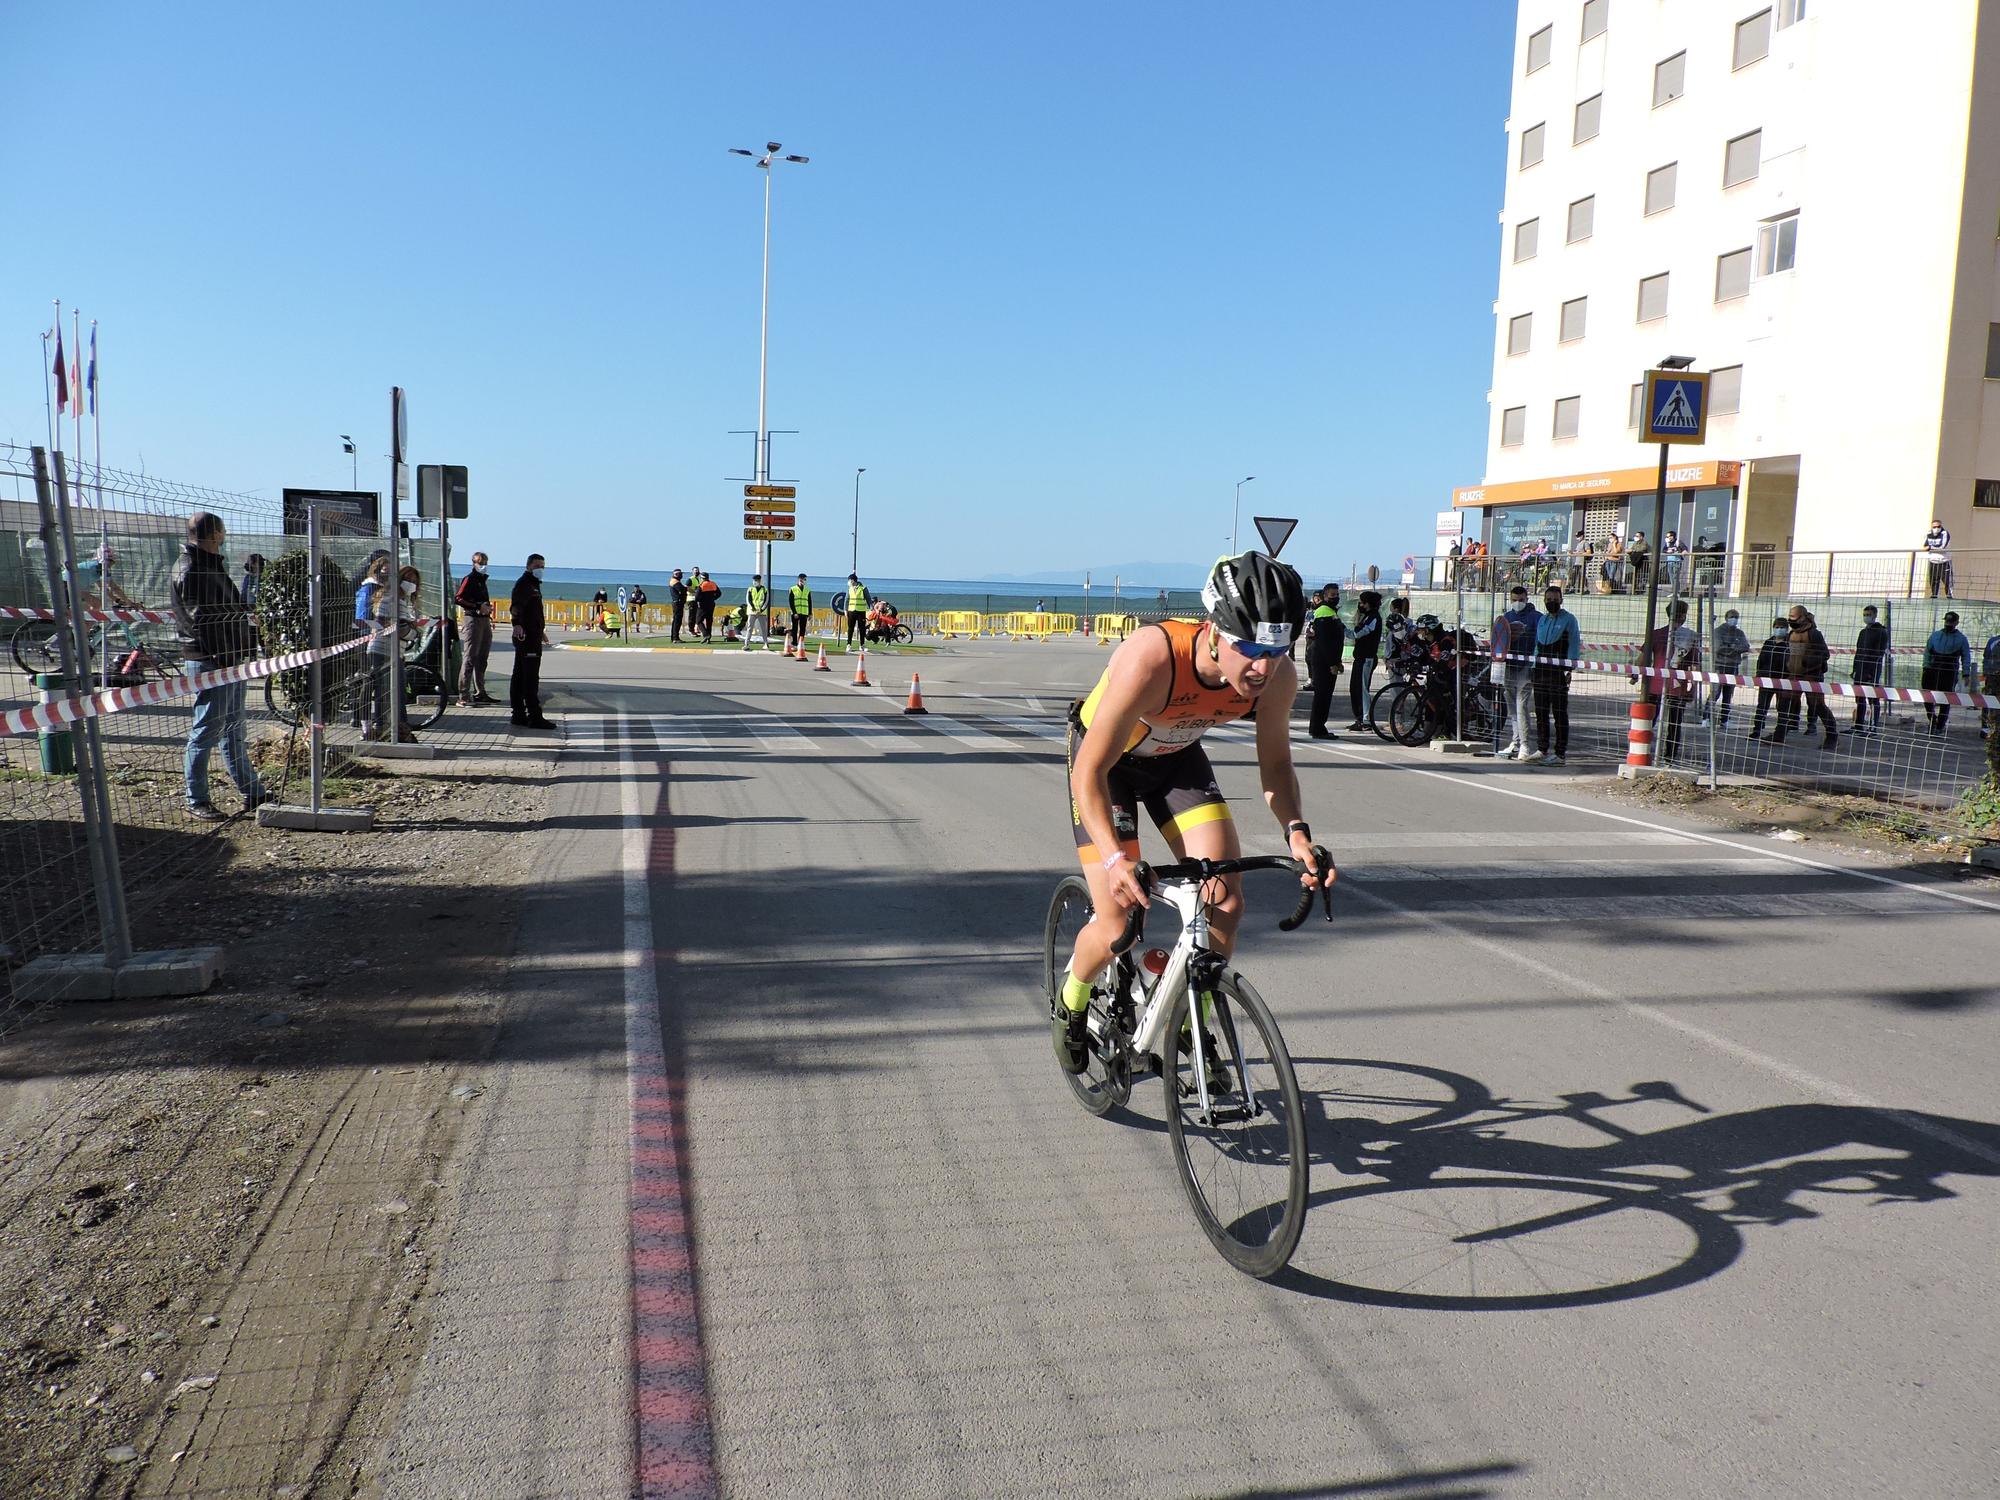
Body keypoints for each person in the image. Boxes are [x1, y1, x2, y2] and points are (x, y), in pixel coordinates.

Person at [1053, 552, 1324, 1073]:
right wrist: (1113, 859)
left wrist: (1297, 833)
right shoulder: (1152, 659)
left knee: (1225, 900)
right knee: (1117, 918)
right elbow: (1087, 774)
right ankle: (1072, 998)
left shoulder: (1277, 677)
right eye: (1248, 647)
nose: (1263, 666)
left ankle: (1186, 1021)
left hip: (1175, 761)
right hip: (1106, 766)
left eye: (1276, 648)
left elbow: (1276, 766)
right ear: (1214, 630)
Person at [170, 511, 268, 820]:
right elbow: (203, 621)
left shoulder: (209, 566)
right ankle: (196, 798)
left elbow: (228, 612)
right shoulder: (193, 570)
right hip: (212, 662)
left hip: (229, 660)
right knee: (206, 731)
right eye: (223, 531)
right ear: (216, 534)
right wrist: (225, 656)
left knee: (234, 730)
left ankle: (252, 791)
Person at [1636, 599, 1700, 762]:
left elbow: (1642, 659)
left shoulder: (1656, 634)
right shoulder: (1691, 637)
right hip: (1677, 686)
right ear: (1683, 615)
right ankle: (1670, 757)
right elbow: (1694, 665)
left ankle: (1642, 751)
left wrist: (1635, 674)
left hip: (1655, 685)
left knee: (1649, 720)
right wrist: (1692, 688)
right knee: (1674, 723)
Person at [369, 565, 424, 742]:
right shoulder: (391, 599)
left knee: (395, 692)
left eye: (414, 581)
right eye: (408, 579)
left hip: (395, 652)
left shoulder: (402, 601)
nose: (411, 584)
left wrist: (409, 629)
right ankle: (388, 730)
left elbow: (401, 627)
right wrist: (412, 632)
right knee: (387, 692)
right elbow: (392, 627)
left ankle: (394, 729)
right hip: (383, 651)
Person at [1775, 606, 1838, 749]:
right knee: (1783, 703)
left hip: (1811, 676)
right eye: (1790, 618)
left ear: (1803, 617)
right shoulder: (1791, 634)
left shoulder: (1814, 634)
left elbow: (1825, 654)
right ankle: (1779, 735)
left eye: (1794, 618)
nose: (1791, 621)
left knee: (1818, 706)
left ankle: (1832, 737)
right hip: (1794, 675)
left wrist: (1808, 662)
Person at [1532, 584, 1581, 766]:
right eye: (1548, 600)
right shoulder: (1542, 620)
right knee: (1541, 712)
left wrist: (1569, 667)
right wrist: (1533, 664)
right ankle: (1541, 748)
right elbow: (1537, 643)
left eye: (1555, 599)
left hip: (1558, 671)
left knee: (1559, 713)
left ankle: (1560, 753)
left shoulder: (1569, 619)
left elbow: (1574, 642)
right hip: (1540, 670)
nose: (1551, 602)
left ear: (1561, 600)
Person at [1491, 584, 1538, 760]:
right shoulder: (1507, 617)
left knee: (1521, 705)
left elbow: (1538, 645)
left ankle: (1525, 745)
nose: (1518, 603)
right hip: (1509, 666)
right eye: (1514, 600)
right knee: (1512, 706)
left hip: (1526, 666)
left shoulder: (1536, 618)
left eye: (1521, 600)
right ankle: (1515, 741)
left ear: (1527, 599)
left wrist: (1534, 665)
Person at [510, 553, 554, 729]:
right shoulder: (525, 584)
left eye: (542, 566)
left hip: (534, 635)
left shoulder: (533, 585)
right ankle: (534, 716)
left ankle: (519, 714)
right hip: (526, 637)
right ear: (528, 566)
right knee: (529, 678)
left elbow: (533, 612)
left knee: (520, 675)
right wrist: (517, 624)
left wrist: (541, 631)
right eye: (537, 566)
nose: (540, 570)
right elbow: (516, 607)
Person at [455, 549, 496, 706]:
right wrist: (477, 606)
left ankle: (480, 691)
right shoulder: (470, 578)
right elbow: (458, 598)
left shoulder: (482, 580)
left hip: (484, 620)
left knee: (482, 657)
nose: (483, 566)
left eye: (485, 563)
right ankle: (463, 694)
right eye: (480, 563)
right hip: (472, 619)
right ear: (474, 563)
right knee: (470, 656)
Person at [1303, 584, 1345, 738]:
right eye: (1332, 595)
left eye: (1337, 594)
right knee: (1322, 696)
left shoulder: (1330, 611)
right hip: (1323, 661)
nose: (1335, 597)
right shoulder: (1324, 612)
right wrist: (1333, 663)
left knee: (1324, 695)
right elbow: (1325, 642)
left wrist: (1337, 661)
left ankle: (1318, 727)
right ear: (1325, 596)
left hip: (1328, 660)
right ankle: (1317, 728)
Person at [1922, 610, 1974, 734]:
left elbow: (1966, 657)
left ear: (1957, 623)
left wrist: (1966, 674)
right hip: (1932, 669)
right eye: (1947, 621)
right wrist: (1926, 667)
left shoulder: (1961, 639)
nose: (1948, 624)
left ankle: (1940, 726)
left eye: (1951, 621)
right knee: (1927, 696)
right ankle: (1932, 720)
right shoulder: (1935, 635)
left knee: (1946, 698)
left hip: (1949, 671)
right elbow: (1927, 652)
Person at [1707, 608, 1750, 727]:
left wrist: (1729, 647)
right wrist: (1734, 648)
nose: (1734, 619)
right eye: (1732, 617)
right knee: (1715, 692)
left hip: (1733, 666)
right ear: (1726, 618)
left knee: (1728, 694)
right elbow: (1718, 648)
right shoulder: (1718, 632)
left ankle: (1724, 719)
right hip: (1720, 666)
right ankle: (1706, 717)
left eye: (1736, 617)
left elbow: (1745, 646)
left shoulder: (1739, 633)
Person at [1345, 590, 1382, 728]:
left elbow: (1358, 633)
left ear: (1368, 604)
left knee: (1362, 689)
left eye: (1362, 602)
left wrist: (1342, 629)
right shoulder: (1367, 617)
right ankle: (1360, 718)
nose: (1360, 605)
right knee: (1355, 688)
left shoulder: (1373, 618)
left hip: (1367, 658)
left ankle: (1366, 719)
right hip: (1360, 657)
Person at [1851, 605, 1888, 733]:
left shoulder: (1881, 632)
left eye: (1869, 614)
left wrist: (1871, 672)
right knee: (1860, 698)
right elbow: (1858, 652)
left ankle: (1873, 727)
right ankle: (1859, 726)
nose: (1866, 617)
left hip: (1872, 670)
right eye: (1865, 614)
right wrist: (1855, 669)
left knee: (1872, 698)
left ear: (1875, 615)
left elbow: (1879, 653)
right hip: (1860, 669)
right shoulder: (1863, 632)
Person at [1923, 520, 1953, 599]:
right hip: (1933, 561)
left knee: (1947, 581)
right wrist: (1930, 548)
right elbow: (1924, 547)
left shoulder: (1945, 533)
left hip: (1944, 561)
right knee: (1933, 580)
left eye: (1938, 527)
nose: (1936, 528)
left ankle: (1949, 596)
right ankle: (1934, 595)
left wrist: (1931, 548)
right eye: (1934, 527)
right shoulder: (1928, 534)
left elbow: (1943, 547)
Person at [742, 574, 771, 650]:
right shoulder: (750, 589)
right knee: (749, 628)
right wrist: (753, 609)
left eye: (757, 581)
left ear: (760, 581)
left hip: (762, 612)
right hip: (752, 612)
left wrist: (761, 610)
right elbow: (748, 600)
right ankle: (746, 644)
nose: (755, 582)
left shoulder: (765, 589)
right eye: (754, 580)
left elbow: (766, 601)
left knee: (763, 629)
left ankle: (766, 644)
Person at [787, 573, 813, 654]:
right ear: (798, 580)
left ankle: (801, 643)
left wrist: (810, 613)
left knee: (802, 629)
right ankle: (794, 644)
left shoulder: (807, 590)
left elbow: (809, 601)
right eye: (801, 579)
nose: (802, 581)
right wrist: (794, 612)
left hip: (804, 612)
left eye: (804, 579)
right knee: (794, 629)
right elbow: (791, 602)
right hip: (796, 612)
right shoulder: (793, 589)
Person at [844, 573, 870, 646]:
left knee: (862, 629)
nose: (848, 582)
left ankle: (862, 645)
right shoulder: (850, 588)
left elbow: (868, 599)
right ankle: (848, 644)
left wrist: (871, 609)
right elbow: (846, 600)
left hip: (861, 611)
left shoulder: (863, 588)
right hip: (851, 611)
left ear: (853, 580)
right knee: (850, 628)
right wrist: (845, 610)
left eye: (849, 580)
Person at [697, 568, 722, 641]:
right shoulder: (713, 584)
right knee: (709, 620)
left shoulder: (701, 585)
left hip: (703, 605)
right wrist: (713, 599)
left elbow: (697, 597)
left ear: (702, 578)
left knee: (698, 621)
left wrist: (700, 601)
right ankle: (709, 637)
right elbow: (719, 593)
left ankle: (705, 634)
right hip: (711, 604)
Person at [1627, 531, 1650, 595]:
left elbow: (1642, 549)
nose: (1635, 537)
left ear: (1641, 537)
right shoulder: (1635, 543)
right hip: (1637, 561)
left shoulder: (1644, 542)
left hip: (1643, 561)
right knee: (1637, 576)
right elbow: (1631, 549)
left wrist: (1633, 550)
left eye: (1637, 536)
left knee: (1643, 576)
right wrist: (1629, 550)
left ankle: (1641, 590)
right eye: (1635, 536)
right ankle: (1635, 590)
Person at [668, 568, 688, 642]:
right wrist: (686, 588)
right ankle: (675, 638)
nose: (682, 575)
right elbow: (682, 590)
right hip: (677, 603)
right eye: (681, 574)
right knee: (677, 621)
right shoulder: (675, 582)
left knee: (676, 620)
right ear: (676, 575)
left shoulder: (674, 581)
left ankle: (674, 637)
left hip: (677, 602)